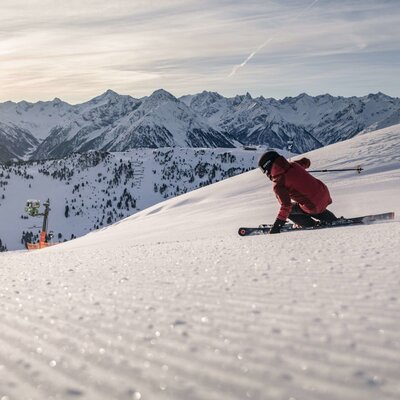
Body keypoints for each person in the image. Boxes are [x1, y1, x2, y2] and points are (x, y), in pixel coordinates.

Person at [258, 151, 337, 234]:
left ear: (267, 167)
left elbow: (286, 206)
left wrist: (277, 226)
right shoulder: (294, 165)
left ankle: (311, 224)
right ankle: (331, 219)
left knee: (291, 210)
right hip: (325, 194)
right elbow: (307, 162)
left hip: (314, 205)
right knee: (309, 202)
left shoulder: (278, 183)